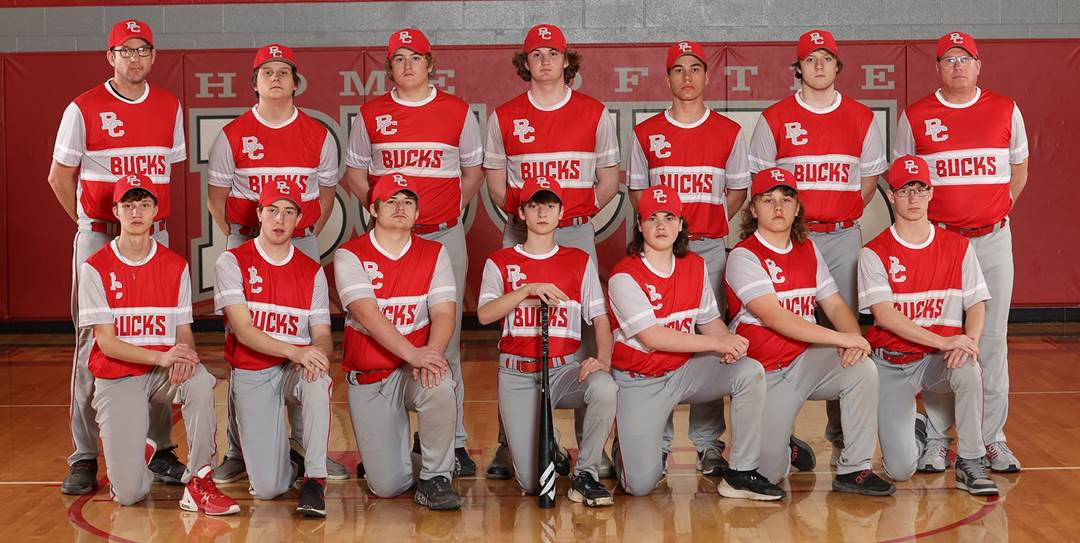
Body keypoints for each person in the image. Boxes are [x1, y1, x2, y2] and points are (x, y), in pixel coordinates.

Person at [49, 18, 186, 495]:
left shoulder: (169, 106)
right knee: (93, 346)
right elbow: (59, 177)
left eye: (142, 49)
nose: (134, 57)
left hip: (155, 237)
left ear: (152, 56)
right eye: (124, 50)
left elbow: (167, 174)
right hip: (101, 236)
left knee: (159, 336)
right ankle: (84, 455)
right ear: (110, 57)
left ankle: (161, 447)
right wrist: (89, 226)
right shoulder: (83, 108)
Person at [343, 28, 484, 476]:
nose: (408, 65)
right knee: (383, 331)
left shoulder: (458, 112)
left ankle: (453, 440)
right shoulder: (370, 114)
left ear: (430, 63)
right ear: (389, 67)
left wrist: (449, 209)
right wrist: (383, 215)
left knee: (447, 340)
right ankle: (387, 439)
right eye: (399, 58)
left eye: (416, 57)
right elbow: (354, 173)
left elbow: (474, 171)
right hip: (385, 243)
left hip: (441, 236)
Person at [483, 23, 620, 480]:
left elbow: (609, 179)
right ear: (526, 64)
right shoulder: (503, 116)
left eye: (553, 53)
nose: (545, 61)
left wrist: (573, 214)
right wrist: (527, 217)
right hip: (521, 228)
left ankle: (589, 450)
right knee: (515, 323)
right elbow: (496, 181)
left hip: (574, 229)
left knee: (579, 332)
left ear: (567, 61)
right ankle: (513, 442)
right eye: (536, 54)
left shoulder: (594, 113)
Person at [748, 29, 888, 469]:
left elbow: (867, 185)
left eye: (827, 58)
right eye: (811, 59)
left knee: (846, 330)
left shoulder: (862, 118)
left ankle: (844, 432)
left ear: (837, 66)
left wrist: (836, 213)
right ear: (799, 68)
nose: (820, 65)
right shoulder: (774, 118)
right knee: (779, 325)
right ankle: (779, 431)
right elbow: (761, 188)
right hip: (789, 239)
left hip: (843, 234)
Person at [207, 42, 346, 483]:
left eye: (283, 71)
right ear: (255, 82)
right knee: (242, 346)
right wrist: (245, 236)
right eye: (267, 71)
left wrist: (301, 231)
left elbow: (324, 196)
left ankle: (307, 449)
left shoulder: (317, 134)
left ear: (295, 81)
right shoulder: (232, 134)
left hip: (299, 241)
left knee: (306, 338)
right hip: (247, 240)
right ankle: (237, 448)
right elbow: (217, 198)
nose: (275, 78)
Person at [894, 31, 1029, 474]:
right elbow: (902, 180)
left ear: (978, 64)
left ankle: (992, 439)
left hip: (993, 239)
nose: (957, 65)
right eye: (948, 59)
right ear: (937, 67)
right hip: (941, 242)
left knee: (991, 342)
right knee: (941, 339)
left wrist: (993, 210)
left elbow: (1018, 171)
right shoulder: (915, 117)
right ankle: (936, 438)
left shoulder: (1005, 108)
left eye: (964, 58)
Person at [607, 184, 783, 501]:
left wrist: (730, 341)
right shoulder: (625, 275)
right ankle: (626, 446)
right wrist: (717, 346)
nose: (661, 226)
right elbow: (653, 336)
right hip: (640, 381)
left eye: (669, 217)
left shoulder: (694, 265)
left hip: (684, 371)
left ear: (680, 224)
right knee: (640, 486)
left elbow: (709, 323)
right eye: (652, 218)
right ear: (639, 225)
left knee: (749, 370)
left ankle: (741, 472)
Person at [725, 168, 894, 496]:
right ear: (753, 209)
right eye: (768, 199)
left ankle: (854, 469)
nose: (778, 207)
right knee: (769, 474)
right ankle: (782, 440)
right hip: (767, 373)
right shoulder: (744, 255)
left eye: (786, 199)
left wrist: (854, 339)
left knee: (863, 369)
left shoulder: (808, 250)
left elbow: (833, 305)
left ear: (797, 208)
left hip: (806, 362)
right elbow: (777, 318)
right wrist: (842, 338)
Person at [628, 40, 751, 477]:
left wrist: (702, 227)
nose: (686, 77)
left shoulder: (729, 131)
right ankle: (658, 445)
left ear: (706, 76)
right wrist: (667, 236)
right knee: (659, 337)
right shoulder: (645, 133)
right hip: (660, 251)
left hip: (707, 247)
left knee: (711, 343)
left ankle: (707, 444)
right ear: (667, 78)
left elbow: (736, 192)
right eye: (678, 69)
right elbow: (638, 196)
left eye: (695, 68)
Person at [81, 174, 238, 515]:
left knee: (199, 380)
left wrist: (185, 354)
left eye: (144, 204)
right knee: (129, 494)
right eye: (129, 204)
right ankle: (144, 451)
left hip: (161, 373)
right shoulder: (95, 268)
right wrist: (164, 356)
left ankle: (199, 481)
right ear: (116, 210)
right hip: (117, 376)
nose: (136, 212)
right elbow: (106, 344)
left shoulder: (175, 266)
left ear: (155, 212)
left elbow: (183, 330)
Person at [476, 178, 617, 507]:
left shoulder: (578, 261)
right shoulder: (500, 261)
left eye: (550, 205)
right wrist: (526, 290)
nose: (542, 212)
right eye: (534, 205)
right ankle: (549, 445)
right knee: (530, 484)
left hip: (562, 371)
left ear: (561, 213)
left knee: (604, 387)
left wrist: (604, 361)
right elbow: (483, 315)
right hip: (517, 374)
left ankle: (585, 474)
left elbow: (600, 319)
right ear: (521, 214)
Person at [861, 156, 997, 496]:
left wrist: (968, 340)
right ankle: (918, 429)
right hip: (892, 363)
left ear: (931, 193)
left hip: (940, 361)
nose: (913, 198)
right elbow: (885, 315)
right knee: (901, 470)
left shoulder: (957, 246)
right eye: (905, 191)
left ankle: (970, 460)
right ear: (891, 197)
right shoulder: (874, 252)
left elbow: (977, 304)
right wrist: (944, 341)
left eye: (920, 190)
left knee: (968, 366)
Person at [333, 175, 463, 510]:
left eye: (407, 201)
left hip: (412, 370)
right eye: (390, 201)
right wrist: (415, 353)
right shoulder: (350, 255)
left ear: (418, 213)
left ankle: (437, 476)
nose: (400, 207)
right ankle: (407, 460)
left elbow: (444, 313)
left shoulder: (435, 252)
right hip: (371, 376)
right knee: (388, 486)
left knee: (441, 384)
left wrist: (431, 355)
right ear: (373, 210)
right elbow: (367, 314)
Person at [213, 182, 333, 517]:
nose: (280, 219)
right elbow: (244, 330)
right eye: (272, 210)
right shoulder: (233, 261)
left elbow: (322, 334)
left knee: (318, 380)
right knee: (268, 489)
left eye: (289, 212)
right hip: (254, 368)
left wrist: (317, 355)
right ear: (260, 214)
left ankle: (315, 480)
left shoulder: (311, 270)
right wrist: (298, 352)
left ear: (298, 220)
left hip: (295, 369)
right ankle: (289, 462)